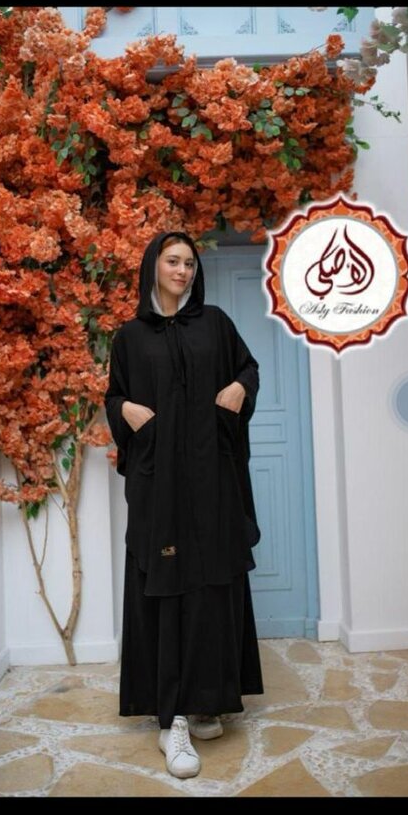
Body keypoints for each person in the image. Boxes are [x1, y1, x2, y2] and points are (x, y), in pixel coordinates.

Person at [105, 231, 264, 779]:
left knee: (211, 585)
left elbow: (247, 368)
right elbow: (114, 394)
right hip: (160, 484)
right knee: (167, 585)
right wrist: (126, 410)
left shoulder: (215, 323)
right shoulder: (130, 337)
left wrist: (240, 387)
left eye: (190, 263)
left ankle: (204, 700)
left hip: (211, 479)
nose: (183, 270)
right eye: (173, 261)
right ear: (153, 265)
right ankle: (169, 717)